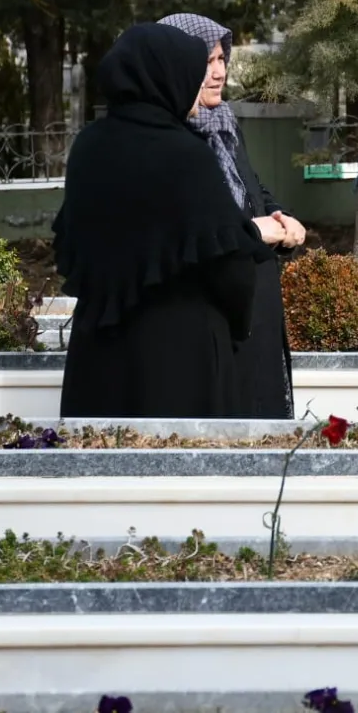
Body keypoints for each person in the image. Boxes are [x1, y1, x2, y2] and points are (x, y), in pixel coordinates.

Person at [55, 22, 275, 419]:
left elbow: (73, 247)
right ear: (163, 75)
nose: (198, 80)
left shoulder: (88, 147)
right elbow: (230, 264)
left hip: (99, 355)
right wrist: (238, 325)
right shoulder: (187, 156)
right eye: (190, 69)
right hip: (181, 358)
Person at [160, 12, 304, 419]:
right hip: (216, 300)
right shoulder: (171, 136)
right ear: (176, 65)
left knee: (264, 408)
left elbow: (251, 185)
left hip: (256, 290)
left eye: (222, 59)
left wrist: (279, 215)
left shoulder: (225, 122)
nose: (219, 72)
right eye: (207, 62)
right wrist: (253, 231)